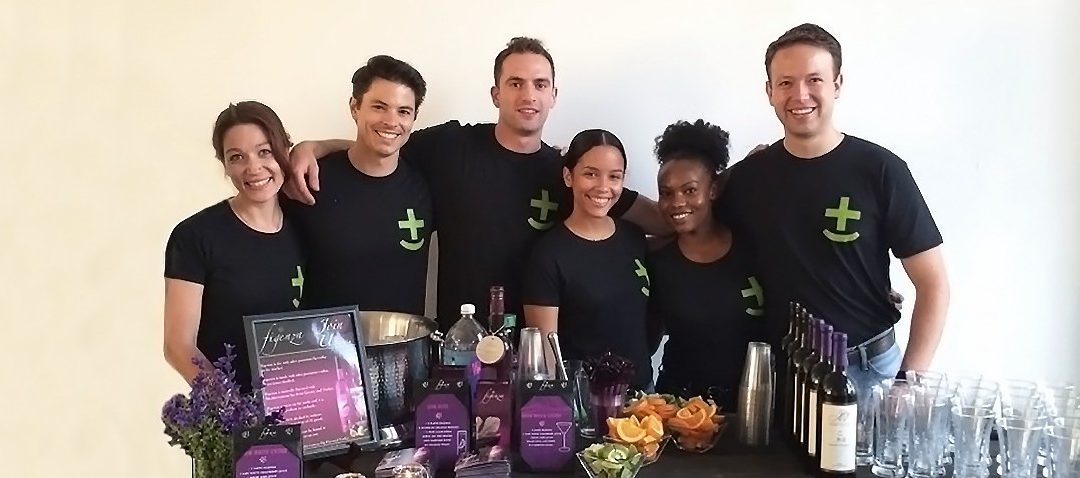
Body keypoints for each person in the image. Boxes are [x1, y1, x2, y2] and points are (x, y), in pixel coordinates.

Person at [284, 37, 669, 330]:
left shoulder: (569, 172)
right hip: (458, 341)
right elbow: (384, 142)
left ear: (554, 95)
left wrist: (689, 223)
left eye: (539, 84)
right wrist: (314, 146)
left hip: (539, 341)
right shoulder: (451, 146)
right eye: (515, 83)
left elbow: (643, 212)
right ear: (496, 94)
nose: (528, 95)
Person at [720, 23, 950, 391]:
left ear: (837, 85)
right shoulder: (747, 180)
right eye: (785, 83)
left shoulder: (880, 170)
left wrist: (907, 385)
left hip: (871, 371)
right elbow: (687, 227)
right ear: (769, 92)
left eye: (814, 80)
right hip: (786, 376)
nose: (800, 94)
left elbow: (934, 283)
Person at [163, 101, 305, 391]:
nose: (253, 168)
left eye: (265, 152)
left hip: (302, 406)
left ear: (285, 151)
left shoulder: (306, 225)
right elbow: (178, 345)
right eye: (237, 157)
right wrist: (231, 409)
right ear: (225, 166)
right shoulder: (195, 236)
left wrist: (317, 147)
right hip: (232, 418)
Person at [283, 55, 433, 315]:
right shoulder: (311, 179)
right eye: (379, 107)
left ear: (414, 117)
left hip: (405, 347)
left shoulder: (427, 182)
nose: (391, 121)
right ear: (354, 107)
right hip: (324, 348)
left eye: (403, 111)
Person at [647, 119, 766, 411]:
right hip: (680, 410)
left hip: (754, 407)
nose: (677, 202)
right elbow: (644, 342)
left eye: (689, 190)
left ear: (712, 190)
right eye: (666, 192)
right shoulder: (657, 263)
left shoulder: (757, 249)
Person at [522, 129, 653, 390]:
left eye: (614, 177)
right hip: (583, 403)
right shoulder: (548, 256)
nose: (604, 187)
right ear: (569, 176)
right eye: (591, 174)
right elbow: (548, 359)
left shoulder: (635, 238)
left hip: (644, 398)